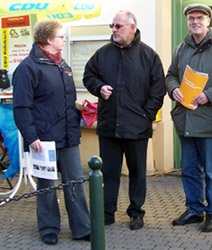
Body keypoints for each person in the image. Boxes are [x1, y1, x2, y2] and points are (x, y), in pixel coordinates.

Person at [83, 10, 166, 230]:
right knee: (108, 173)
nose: (114, 30)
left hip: (137, 128)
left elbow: (158, 90)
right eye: (112, 26)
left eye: (118, 26)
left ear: (132, 27)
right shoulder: (102, 54)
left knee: (138, 173)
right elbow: (88, 76)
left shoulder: (149, 56)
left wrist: (146, 115)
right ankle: (106, 212)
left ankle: (136, 213)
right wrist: (99, 88)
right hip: (109, 126)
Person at [12, 19, 90, 245]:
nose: (64, 40)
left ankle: (82, 228)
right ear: (48, 40)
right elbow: (22, 107)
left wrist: (79, 109)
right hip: (43, 139)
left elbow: (64, 99)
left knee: (75, 182)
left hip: (68, 135)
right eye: (60, 36)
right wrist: (31, 136)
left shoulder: (63, 65)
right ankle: (48, 229)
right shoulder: (27, 68)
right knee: (46, 185)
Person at [166, 3, 212, 233]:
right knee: (189, 170)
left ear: (209, 21)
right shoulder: (181, 48)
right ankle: (194, 210)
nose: (195, 22)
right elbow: (170, 75)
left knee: (211, 173)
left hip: (210, 120)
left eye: (199, 18)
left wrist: (209, 94)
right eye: (191, 19)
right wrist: (174, 89)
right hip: (186, 120)